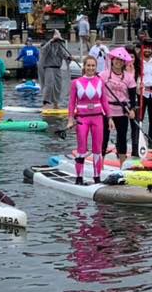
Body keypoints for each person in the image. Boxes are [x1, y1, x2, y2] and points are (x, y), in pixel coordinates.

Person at [67, 55, 110, 185]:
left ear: (96, 67)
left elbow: (105, 101)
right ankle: (79, 177)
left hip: (98, 118)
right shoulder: (76, 83)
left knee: (97, 148)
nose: (90, 68)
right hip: (82, 119)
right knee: (82, 148)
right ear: (84, 67)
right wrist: (70, 119)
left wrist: (110, 118)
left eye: (93, 66)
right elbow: (71, 102)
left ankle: (97, 177)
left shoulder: (100, 81)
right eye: (88, 65)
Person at [100, 47, 139, 165]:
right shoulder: (103, 75)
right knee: (104, 137)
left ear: (124, 63)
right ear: (112, 60)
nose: (119, 62)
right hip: (106, 111)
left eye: (121, 60)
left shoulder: (128, 77)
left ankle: (122, 164)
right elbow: (98, 94)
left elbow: (132, 97)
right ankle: (99, 163)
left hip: (122, 110)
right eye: (117, 59)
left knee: (122, 137)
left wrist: (132, 109)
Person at [41, 30, 72, 108]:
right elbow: (43, 50)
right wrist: (52, 41)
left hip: (58, 69)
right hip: (49, 68)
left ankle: (56, 103)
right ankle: (46, 103)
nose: (58, 42)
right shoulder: (48, 45)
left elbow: (64, 55)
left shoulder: (60, 47)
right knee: (49, 85)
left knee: (58, 86)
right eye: (57, 40)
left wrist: (69, 57)